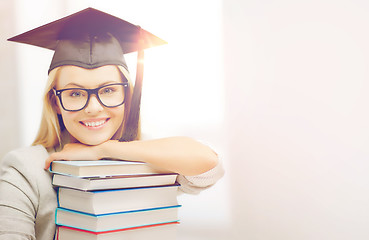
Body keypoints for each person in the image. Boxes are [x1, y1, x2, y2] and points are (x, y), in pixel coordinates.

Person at [0, 8, 224, 240]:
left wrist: (103, 150)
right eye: (75, 93)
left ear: (127, 97)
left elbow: (209, 165)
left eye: (108, 90)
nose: (93, 107)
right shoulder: (26, 169)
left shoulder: (148, 155)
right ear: (55, 102)